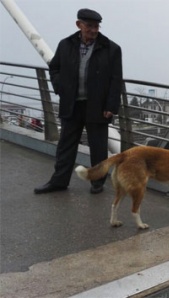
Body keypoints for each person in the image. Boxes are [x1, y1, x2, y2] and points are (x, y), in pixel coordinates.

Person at [34, 8, 123, 195]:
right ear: (79, 25)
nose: (93, 30)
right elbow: (55, 67)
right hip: (72, 104)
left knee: (98, 147)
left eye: (96, 26)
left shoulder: (111, 48)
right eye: (89, 26)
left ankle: (97, 182)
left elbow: (116, 80)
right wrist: (60, 87)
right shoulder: (66, 45)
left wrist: (111, 106)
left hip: (97, 106)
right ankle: (59, 181)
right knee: (65, 146)